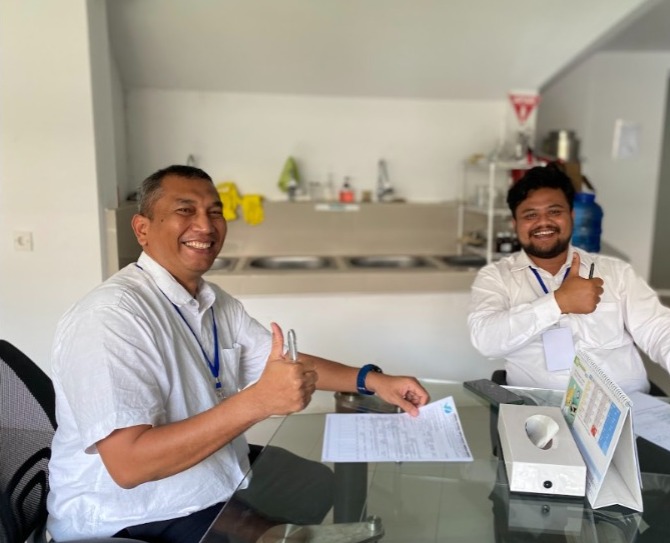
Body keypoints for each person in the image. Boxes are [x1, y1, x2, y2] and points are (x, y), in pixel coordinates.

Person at [47, 165, 430, 542]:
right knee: (279, 529)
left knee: (317, 484)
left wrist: (372, 379)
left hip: (209, 474)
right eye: (185, 210)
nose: (205, 225)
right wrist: (259, 402)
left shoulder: (211, 300)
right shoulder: (111, 317)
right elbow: (130, 465)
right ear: (142, 229)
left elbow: (282, 363)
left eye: (215, 212)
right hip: (136, 512)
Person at [468, 164, 670, 417]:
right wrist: (558, 303)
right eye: (530, 215)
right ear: (514, 224)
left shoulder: (615, 272)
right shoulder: (496, 278)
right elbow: (486, 340)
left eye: (554, 211)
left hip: (628, 412)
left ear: (572, 216)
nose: (543, 222)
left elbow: (660, 330)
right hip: (543, 417)